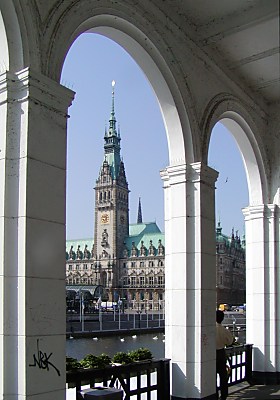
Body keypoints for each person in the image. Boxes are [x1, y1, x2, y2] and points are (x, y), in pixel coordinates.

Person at [216, 309, 234, 400]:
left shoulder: (209, 329)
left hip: (211, 354)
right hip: (221, 352)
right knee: (223, 375)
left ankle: (213, 393)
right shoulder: (224, 330)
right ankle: (224, 395)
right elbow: (230, 342)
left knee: (212, 375)